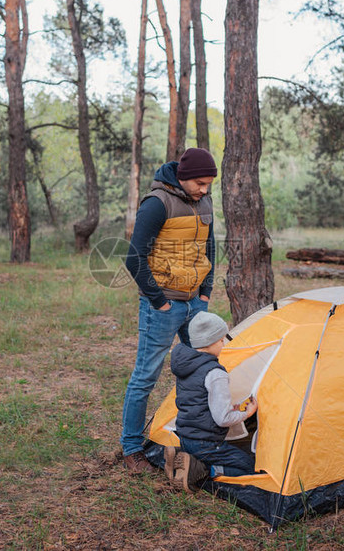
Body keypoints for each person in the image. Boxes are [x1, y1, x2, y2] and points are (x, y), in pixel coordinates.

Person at [121, 148, 218, 473]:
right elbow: (134, 258)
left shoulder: (205, 202)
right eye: (201, 183)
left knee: (203, 371)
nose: (205, 190)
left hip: (195, 304)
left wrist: (205, 293)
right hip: (162, 304)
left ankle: (197, 440)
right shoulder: (157, 203)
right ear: (183, 177)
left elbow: (210, 247)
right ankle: (133, 449)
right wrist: (159, 301)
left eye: (209, 184)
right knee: (145, 376)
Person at [165, 311, 258, 491]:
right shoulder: (216, 373)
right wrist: (247, 413)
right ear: (212, 342)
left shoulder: (187, 364)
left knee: (224, 455)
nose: (223, 345)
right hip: (206, 443)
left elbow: (198, 400)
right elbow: (222, 419)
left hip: (185, 436)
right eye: (222, 340)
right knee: (249, 466)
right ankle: (202, 469)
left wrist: (230, 408)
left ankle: (181, 456)